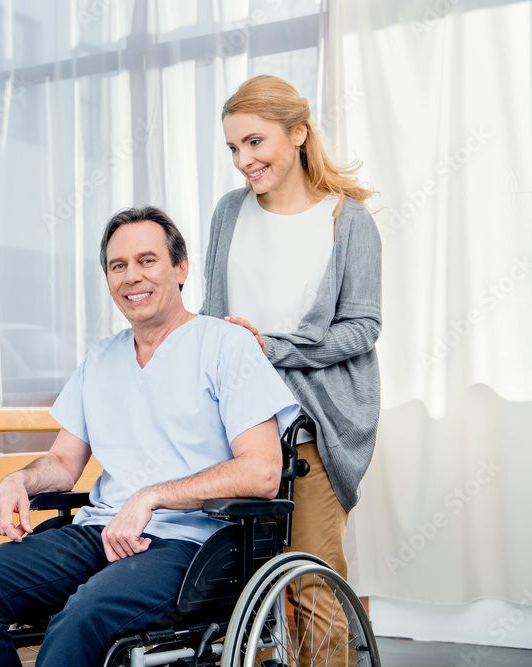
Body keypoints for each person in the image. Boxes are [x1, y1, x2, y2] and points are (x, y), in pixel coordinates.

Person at [0, 206, 301, 667]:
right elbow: (64, 464)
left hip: (193, 546)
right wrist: (18, 481)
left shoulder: (226, 345)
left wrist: (151, 497)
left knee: (82, 617)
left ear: (181, 267)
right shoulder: (101, 359)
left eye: (147, 260)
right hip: (99, 532)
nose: (131, 277)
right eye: (117, 266)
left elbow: (263, 471)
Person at [202, 74, 382, 667]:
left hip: (314, 427)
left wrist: (269, 347)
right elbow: (210, 317)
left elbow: (362, 327)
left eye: (254, 142)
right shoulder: (229, 213)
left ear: (298, 133)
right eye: (233, 148)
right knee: (244, 597)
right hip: (239, 428)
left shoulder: (346, 220)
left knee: (308, 586)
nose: (243, 161)